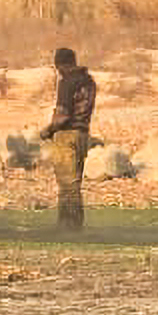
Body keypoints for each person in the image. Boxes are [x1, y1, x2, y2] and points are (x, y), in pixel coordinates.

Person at [36, 46, 97, 231]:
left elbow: (62, 115)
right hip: (83, 134)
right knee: (75, 182)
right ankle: (75, 224)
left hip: (66, 135)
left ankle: (68, 226)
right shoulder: (88, 81)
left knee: (66, 184)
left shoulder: (67, 82)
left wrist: (47, 131)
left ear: (60, 64)